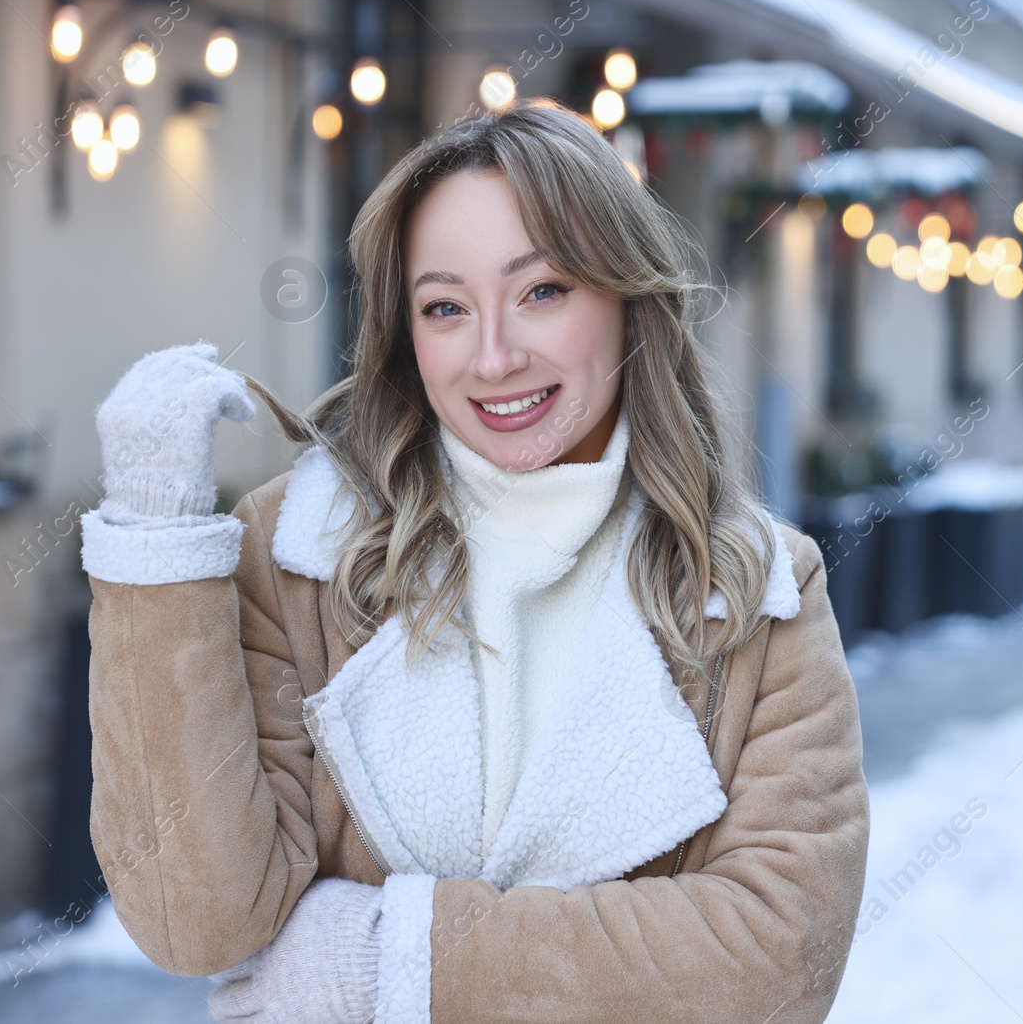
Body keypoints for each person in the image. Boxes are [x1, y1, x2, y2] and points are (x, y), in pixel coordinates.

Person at [79, 99, 869, 1024]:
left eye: (543, 290)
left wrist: (394, 964)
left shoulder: (757, 589)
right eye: (446, 306)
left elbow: (778, 957)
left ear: (625, 298)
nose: (493, 356)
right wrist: (155, 541)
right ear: (407, 337)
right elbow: (199, 918)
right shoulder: (301, 554)